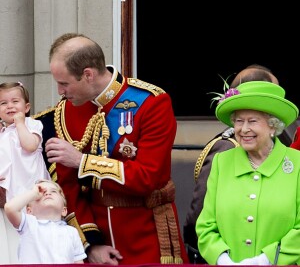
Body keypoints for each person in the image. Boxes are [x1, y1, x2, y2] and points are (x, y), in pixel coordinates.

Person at [34, 33, 188, 265]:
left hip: (145, 234)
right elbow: (67, 187)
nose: (60, 92)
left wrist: (81, 162)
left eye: (64, 83)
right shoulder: (65, 112)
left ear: (88, 74)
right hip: (95, 237)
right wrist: (90, 243)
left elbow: (149, 176)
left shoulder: (151, 103)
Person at [183, 64, 281, 263]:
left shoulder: (288, 158)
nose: (245, 129)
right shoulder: (228, 150)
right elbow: (199, 217)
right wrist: (220, 257)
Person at [195, 80, 300, 265]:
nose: (244, 129)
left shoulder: (297, 164)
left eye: (252, 121)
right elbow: (206, 225)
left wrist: (264, 260)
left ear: (273, 126)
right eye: (238, 121)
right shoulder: (222, 162)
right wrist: (223, 259)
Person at [0, 81, 51, 264]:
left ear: (27, 107)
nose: (10, 106)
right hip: (9, 193)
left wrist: (20, 123)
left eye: (15, 101)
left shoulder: (32, 124)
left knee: (33, 236)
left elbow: (30, 145)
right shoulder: (2, 133)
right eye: (3, 103)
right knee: (12, 239)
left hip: (30, 190)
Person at [4, 179, 87, 263]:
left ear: (64, 210)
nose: (47, 193)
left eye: (54, 191)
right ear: (29, 211)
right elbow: (10, 208)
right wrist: (33, 193)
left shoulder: (72, 232)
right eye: (41, 193)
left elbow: (78, 263)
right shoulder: (28, 224)